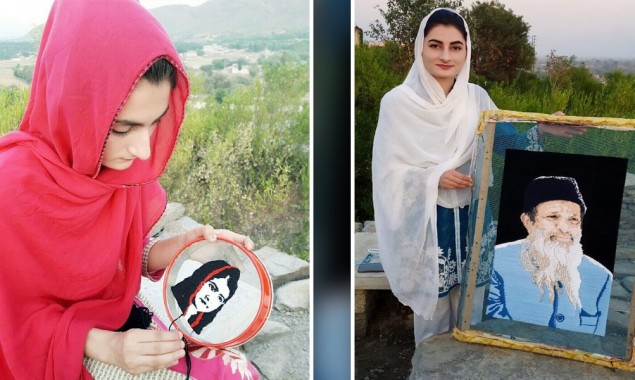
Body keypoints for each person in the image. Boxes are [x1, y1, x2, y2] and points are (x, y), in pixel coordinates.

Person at [0, 0, 259, 378]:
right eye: (123, 128)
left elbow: (125, 256)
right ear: (73, 104)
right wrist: (107, 346)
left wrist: (192, 244)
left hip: (118, 318)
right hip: (64, 350)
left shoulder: (117, 169)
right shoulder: (10, 190)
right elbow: (14, 320)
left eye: (154, 124)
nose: (143, 150)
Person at [371, 7, 585, 346]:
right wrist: (436, 176)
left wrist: (542, 129)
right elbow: (387, 171)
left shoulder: (476, 98)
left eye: (456, 47)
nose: (445, 55)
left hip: (473, 215)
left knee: (475, 303)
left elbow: (503, 140)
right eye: (435, 45)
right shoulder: (398, 103)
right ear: (420, 47)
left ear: (466, 50)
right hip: (429, 221)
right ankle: (430, 362)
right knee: (435, 308)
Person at [486, 176, 612, 335]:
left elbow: (599, 342)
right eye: (553, 217)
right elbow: (490, 329)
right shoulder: (495, 261)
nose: (564, 229)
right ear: (528, 221)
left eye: (573, 219)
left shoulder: (602, 277)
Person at [171, 260, 241, 334]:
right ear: (201, 280)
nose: (210, 298)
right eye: (212, 287)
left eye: (219, 298)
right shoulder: (170, 297)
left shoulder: (198, 333)